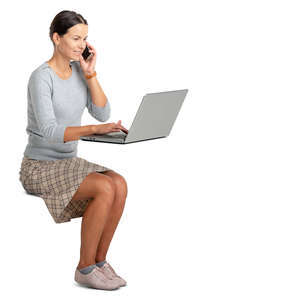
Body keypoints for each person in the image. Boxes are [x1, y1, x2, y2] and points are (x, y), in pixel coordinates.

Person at [19, 10, 129, 290]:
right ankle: (84, 268)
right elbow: (50, 131)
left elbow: (102, 113)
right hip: (39, 167)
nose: (82, 45)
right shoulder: (41, 77)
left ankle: (99, 263)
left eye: (85, 39)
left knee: (119, 183)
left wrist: (90, 74)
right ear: (57, 38)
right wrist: (93, 130)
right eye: (76, 38)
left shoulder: (80, 71)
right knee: (104, 187)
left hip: (68, 162)